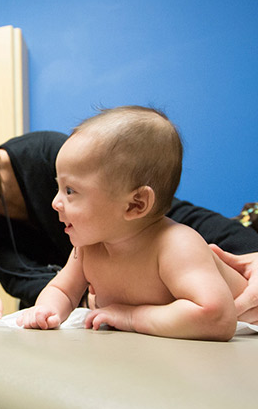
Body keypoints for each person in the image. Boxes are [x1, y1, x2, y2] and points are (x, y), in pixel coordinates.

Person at [0, 124, 258, 321]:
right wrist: (74, 299)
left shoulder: (44, 156)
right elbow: (26, 281)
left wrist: (250, 252)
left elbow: (168, 218)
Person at [17, 106, 248, 340]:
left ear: (135, 204)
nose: (56, 202)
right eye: (58, 187)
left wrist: (131, 317)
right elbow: (62, 290)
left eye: (70, 190)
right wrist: (46, 310)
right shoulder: (88, 249)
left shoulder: (176, 246)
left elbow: (215, 316)